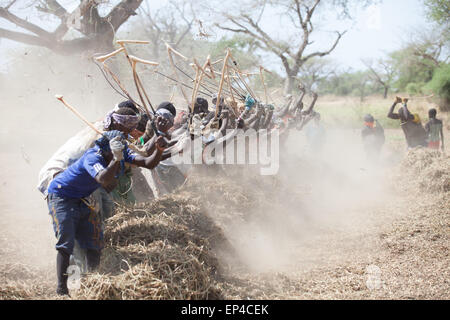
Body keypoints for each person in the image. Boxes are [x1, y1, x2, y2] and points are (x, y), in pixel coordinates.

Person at [47, 129, 168, 296]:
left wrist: (159, 150)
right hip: (61, 196)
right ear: (106, 150)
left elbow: (148, 163)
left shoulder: (120, 153)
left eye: (120, 150)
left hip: (82, 198)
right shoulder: (93, 157)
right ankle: (61, 290)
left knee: (94, 241)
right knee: (66, 241)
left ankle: (93, 281)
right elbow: (103, 179)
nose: (118, 155)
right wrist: (116, 159)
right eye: (114, 152)